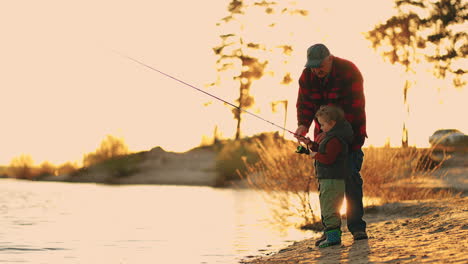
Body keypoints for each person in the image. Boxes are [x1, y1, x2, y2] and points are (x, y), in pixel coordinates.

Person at [295, 43, 368, 243]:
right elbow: (305, 103)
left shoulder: (348, 71)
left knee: (351, 180)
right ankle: (331, 231)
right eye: (313, 66)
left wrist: (339, 139)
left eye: (320, 65)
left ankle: (357, 228)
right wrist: (303, 126)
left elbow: (355, 107)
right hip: (323, 137)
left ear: (330, 58)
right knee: (327, 185)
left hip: (350, 136)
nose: (316, 69)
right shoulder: (308, 76)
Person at [298, 105, 353, 247]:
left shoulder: (335, 139)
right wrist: (309, 144)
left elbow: (328, 158)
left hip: (332, 180)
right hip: (328, 179)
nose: (321, 128)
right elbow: (323, 149)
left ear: (332, 123)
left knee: (330, 208)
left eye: (322, 124)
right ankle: (330, 236)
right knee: (327, 207)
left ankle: (333, 238)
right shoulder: (329, 137)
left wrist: (314, 155)